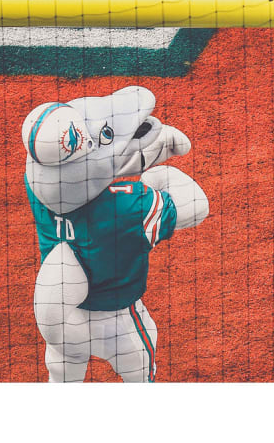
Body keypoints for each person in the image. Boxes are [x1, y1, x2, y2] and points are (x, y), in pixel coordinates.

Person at [23, 86, 209, 382]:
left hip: (65, 320)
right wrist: (161, 176)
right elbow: (196, 207)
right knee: (140, 378)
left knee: (62, 381)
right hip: (119, 321)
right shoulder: (129, 206)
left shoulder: (35, 186)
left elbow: (87, 173)